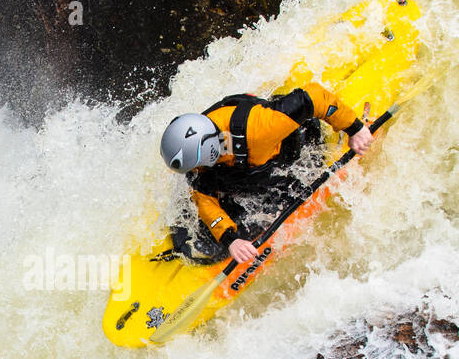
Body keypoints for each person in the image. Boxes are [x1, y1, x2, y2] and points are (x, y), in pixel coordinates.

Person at [159, 83, 374, 263]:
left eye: (195, 166)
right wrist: (230, 239)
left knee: (261, 207)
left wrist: (354, 128)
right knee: (205, 221)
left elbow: (314, 98)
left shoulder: (259, 128)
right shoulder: (205, 152)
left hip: (298, 146)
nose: (194, 172)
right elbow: (203, 196)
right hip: (252, 166)